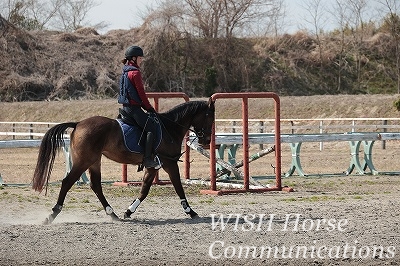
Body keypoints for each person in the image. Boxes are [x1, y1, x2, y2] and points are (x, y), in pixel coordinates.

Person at [117, 45, 161, 169]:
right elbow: (141, 93)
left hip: (126, 108)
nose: (141, 61)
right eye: (140, 58)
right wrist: (149, 108)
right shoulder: (135, 73)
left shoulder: (125, 72)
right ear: (133, 58)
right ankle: (147, 159)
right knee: (151, 128)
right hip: (133, 109)